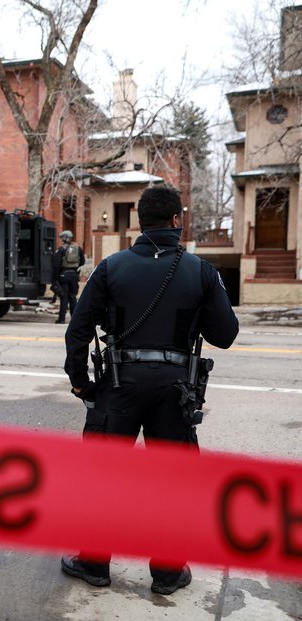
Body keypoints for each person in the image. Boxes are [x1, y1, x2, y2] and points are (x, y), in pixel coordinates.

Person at [61, 186, 239, 595]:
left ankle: (94, 563)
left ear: (140, 221)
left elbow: (79, 328)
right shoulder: (199, 269)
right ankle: (168, 571)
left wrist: (80, 381)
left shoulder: (111, 266)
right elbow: (225, 335)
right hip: (175, 388)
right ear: (177, 220)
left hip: (119, 384)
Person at [53, 230, 86, 324]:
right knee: (73, 297)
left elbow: (56, 265)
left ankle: (61, 319)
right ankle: (74, 320)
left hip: (64, 275)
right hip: (74, 275)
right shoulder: (77, 249)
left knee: (64, 298)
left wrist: (55, 278)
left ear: (63, 238)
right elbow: (82, 261)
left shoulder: (60, 250)